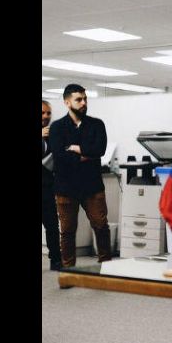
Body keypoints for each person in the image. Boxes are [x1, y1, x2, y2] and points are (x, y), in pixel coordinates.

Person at [49, 84, 112, 267]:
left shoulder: (96, 124)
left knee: (101, 226)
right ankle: (68, 270)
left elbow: (99, 149)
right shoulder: (57, 127)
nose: (83, 103)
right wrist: (86, 155)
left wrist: (75, 148)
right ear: (67, 102)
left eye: (85, 99)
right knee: (67, 231)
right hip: (65, 187)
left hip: (92, 186)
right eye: (79, 99)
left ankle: (106, 266)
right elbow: (59, 156)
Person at [42, 100, 62, 271]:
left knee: (52, 225)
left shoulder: (52, 134)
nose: (46, 116)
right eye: (42, 113)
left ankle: (56, 259)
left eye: (48, 113)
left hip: (47, 187)